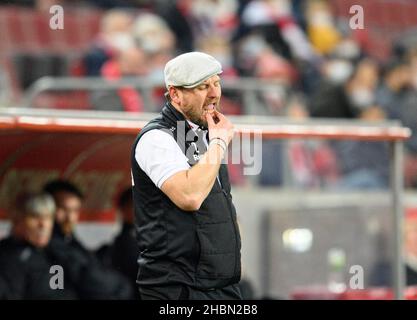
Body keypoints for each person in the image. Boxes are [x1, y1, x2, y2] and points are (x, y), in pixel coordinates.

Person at [131, 51, 242, 300]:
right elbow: (189, 196)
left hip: (219, 286)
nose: (214, 93)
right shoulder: (156, 138)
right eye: (202, 86)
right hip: (178, 289)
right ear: (175, 94)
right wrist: (219, 144)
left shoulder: (203, 134)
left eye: (216, 83)